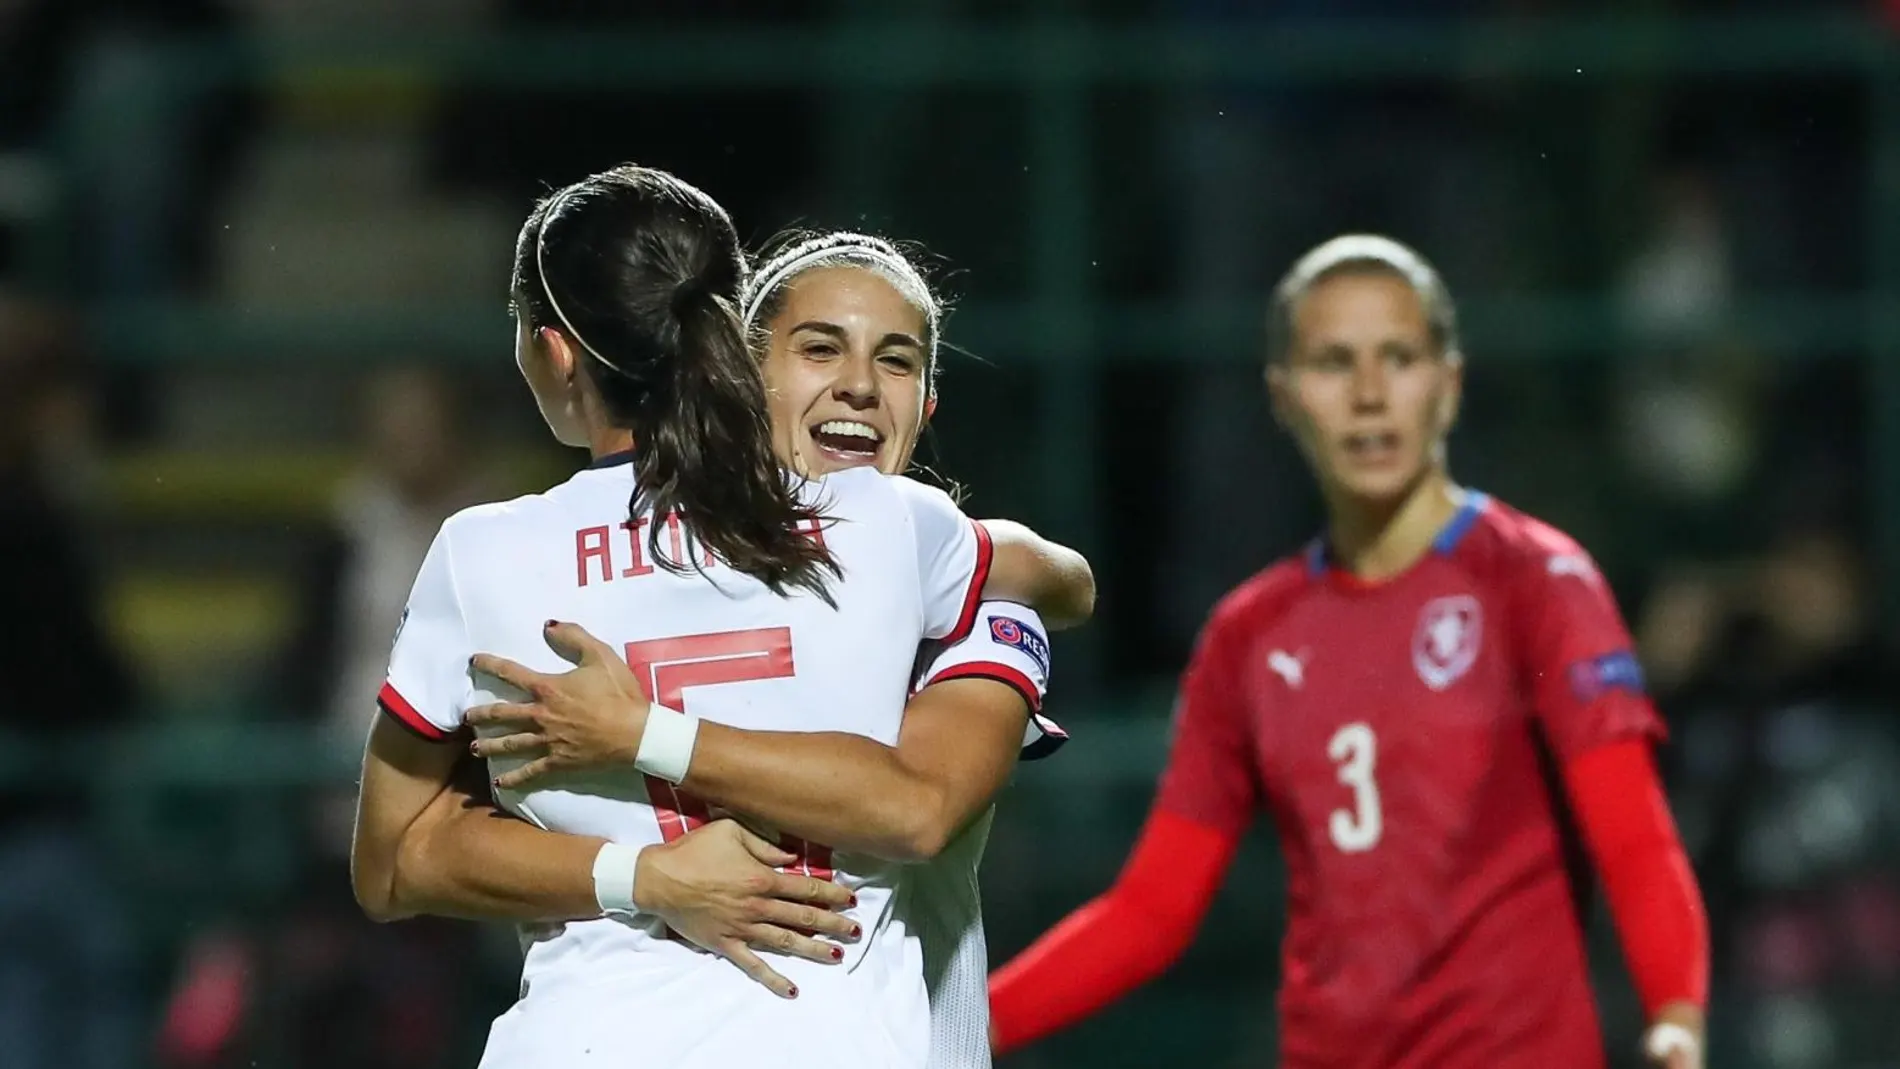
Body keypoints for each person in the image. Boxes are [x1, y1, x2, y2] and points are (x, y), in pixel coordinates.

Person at [350, 170, 1086, 1069]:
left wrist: (637, 815)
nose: (857, 387)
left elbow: (393, 860)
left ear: (554, 352)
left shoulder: (486, 554)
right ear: (737, 352)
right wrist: (649, 869)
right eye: (820, 350)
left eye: (893, 361)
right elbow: (1064, 583)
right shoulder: (897, 535)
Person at [987, 235, 1711, 1069]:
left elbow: (1636, 840)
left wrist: (1676, 1020)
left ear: (1449, 383)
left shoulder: (1537, 582)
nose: (1370, 394)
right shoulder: (1248, 635)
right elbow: (1152, 910)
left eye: (1398, 357)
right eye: (1334, 362)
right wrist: (964, 1025)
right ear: (1283, 396)